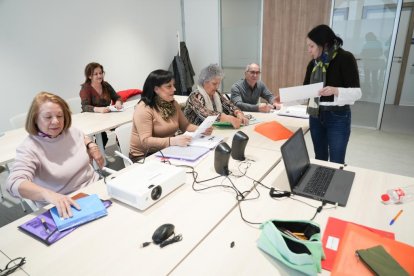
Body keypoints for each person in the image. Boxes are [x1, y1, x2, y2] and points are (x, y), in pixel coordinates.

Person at [6, 92, 104, 218]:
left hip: (95, 188)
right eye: (48, 117)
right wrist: (47, 194)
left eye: (60, 115)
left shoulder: (70, 131)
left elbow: (81, 136)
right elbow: (13, 182)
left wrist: (90, 144)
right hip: (64, 203)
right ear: (35, 119)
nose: (56, 121)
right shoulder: (29, 147)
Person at [304, 24, 361, 164]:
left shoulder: (345, 58)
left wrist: (336, 90)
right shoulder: (313, 64)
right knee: (320, 159)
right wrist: (289, 97)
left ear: (323, 44)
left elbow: (357, 93)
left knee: (336, 161)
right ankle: (320, 184)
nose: (308, 50)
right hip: (315, 115)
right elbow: (306, 89)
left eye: (311, 46)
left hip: (338, 116)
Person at [129, 69, 212, 162]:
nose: (174, 89)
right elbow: (145, 141)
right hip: (144, 157)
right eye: (169, 86)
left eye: (173, 85)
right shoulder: (144, 109)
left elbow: (185, 126)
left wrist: (201, 129)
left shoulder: (172, 103)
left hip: (166, 150)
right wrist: (173, 141)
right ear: (156, 89)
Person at [184, 64, 249, 128]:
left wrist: (238, 113)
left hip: (211, 131)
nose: (217, 87)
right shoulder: (195, 96)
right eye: (214, 84)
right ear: (204, 82)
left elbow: (229, 105)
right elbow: (206, 114)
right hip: (192, 134)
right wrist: (227, 118)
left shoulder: (216, 93)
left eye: (219, 83)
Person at [79, 62, 123, 147]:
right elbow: (85, 107)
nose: (99, 76)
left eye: (101, 73)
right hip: (91, 119)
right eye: (96, 74)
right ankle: (96, 155)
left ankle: (124, 150)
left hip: (106, 117)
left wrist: (118, 102)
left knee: (121, 129)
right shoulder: (86, 88)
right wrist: (99, 109)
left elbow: (117, 97)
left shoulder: (106, 85)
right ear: (89, 76)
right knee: (103, 137)